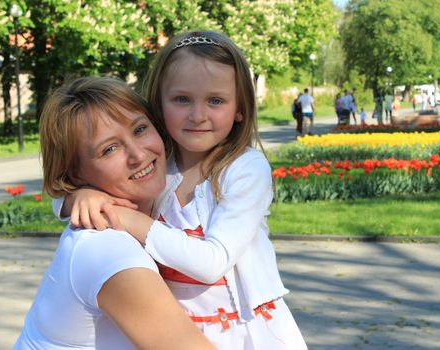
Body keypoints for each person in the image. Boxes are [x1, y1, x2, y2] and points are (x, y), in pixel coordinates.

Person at [58, 31, 307, 349]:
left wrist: (127, 218)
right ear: (158, 104)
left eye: (215, 101)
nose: (198, 115)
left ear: (239, 108)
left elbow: (212, 263)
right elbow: (61, 199)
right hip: (179, 330)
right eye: (181, 99)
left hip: (247, 330)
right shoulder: (157, 161)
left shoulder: (245, 168)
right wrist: (79, 197)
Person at [14, 77, 214, 350]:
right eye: (109, 149)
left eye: (140, 129)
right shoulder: (107, 249)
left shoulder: (157, 209)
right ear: (75, 172)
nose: (138, 155)